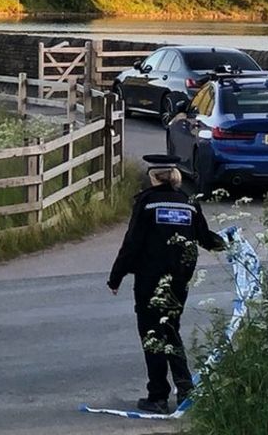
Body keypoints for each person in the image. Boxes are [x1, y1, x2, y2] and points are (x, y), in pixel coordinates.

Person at [107, 154, 224, 414]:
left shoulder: (147, 202)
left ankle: (158, 396)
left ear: (154, 177)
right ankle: (185, 389)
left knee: (152, 335)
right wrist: (228, 243)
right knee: (170, 330)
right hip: (179, 280)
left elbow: (132, 243)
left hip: (150, 280)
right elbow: (204, 237)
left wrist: (116, 277)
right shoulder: (189, 202)